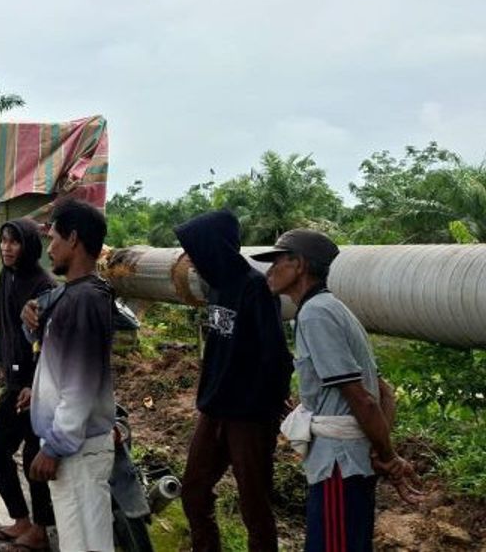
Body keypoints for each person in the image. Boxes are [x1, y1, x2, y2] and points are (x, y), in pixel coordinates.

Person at [252, 230, 422, 552]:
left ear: (299, 265)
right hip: (352, 462)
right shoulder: (333, 308)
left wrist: (388, 457)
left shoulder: (316, 314)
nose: (270, 271)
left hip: (338, 466)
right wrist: (380, 453)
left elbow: (362, 398)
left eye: (276, 262)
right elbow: (384, 392)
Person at [173, 211, 293, 552]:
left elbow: (276, 355)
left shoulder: (255, 288)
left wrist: (269, 404)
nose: (192, 259)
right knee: (194, 491)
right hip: (214, 409)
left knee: (254, 503)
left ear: (215, 248)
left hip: (249, 416)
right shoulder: (217, 287)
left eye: (195, 250)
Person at [26, 198, 116, 552]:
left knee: (87, 545)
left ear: (74, 239)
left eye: (54, 239)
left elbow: (79, 386)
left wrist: (54, 446)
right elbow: (52, 351)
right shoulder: (71, 295)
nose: (50, 249)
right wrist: (28, 317)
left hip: (77, 450)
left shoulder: (85, 300)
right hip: (75, 447)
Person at [0, 218, 57, 551]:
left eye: (14, 242)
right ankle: (22, 522)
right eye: (3, 241)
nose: (6, 247)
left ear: (28, 246)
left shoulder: (43, 285)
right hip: (15, 377)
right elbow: (8, 322)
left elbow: (48, 343)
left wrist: (33, 383)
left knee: (24, 454)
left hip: (33, 386)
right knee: (5, 452)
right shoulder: (6, 274)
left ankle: (38, 532)